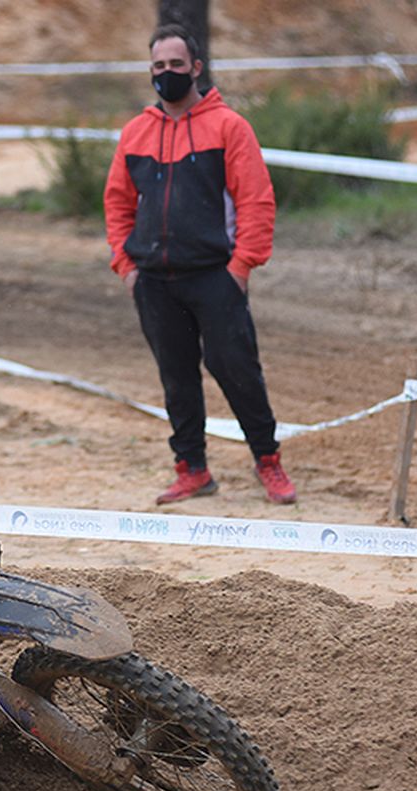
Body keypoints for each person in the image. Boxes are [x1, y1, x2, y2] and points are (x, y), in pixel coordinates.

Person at [103, 23, 296, 505]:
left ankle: (267, 460)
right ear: (151, 70)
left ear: (196, 68)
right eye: (158, 66)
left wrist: (242, 266)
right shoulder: (136, 132)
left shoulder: (229, 126)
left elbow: (256, 200)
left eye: (175, 65)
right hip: (153, 279)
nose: (167, 73)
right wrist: (126, 265)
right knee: (176, 376)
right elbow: (117, 202)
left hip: (215, 274)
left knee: (237, 369)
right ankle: (192, 469)